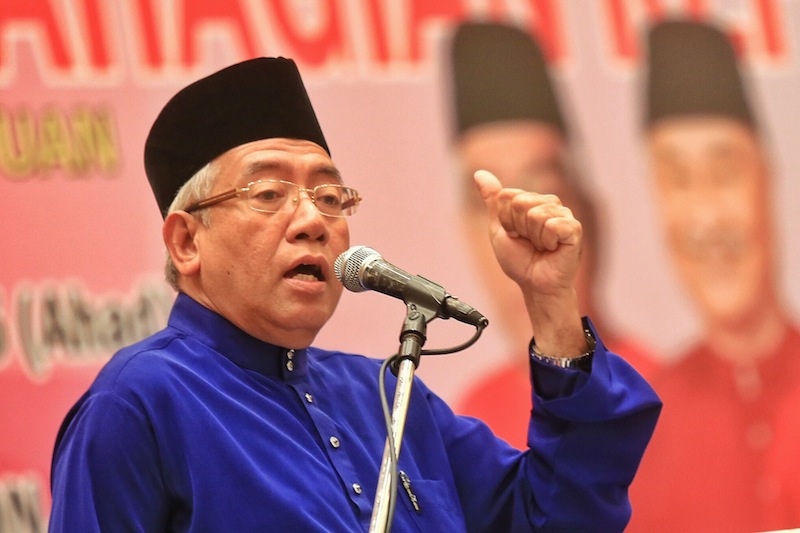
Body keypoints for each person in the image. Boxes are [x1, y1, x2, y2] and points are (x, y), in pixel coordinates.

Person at [48, 57, 661, 532]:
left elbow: (562, 519)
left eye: (330, 197)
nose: (312, 220)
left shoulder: (387, 398)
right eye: (268, 194)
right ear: (186, 243)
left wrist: (550, 300)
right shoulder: (140, 406)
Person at [448, 22, 659, 449]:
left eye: (542, 197)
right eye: (485, 205)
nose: (517, 235)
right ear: (464, 233)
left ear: (593, 221)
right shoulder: (473, 416)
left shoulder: (658, 392)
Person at [627, 19, 800, 532]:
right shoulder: (642, 433)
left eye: (724, 172)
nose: (706, 218)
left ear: (765, 178)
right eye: (677, 180)